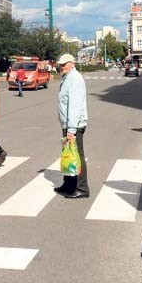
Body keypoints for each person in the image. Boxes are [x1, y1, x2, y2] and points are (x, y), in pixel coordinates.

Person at [53, 54, 89, 199]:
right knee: (68, 154)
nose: (61, 67)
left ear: (72, 64)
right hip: (68, 124)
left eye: (64, 64)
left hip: (74, 125)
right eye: (61, 65)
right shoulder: (67, 78)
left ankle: (82, 188)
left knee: (77, 156)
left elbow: (74, 105)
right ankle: (68, 184)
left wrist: (72, 130)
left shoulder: (74, 79)